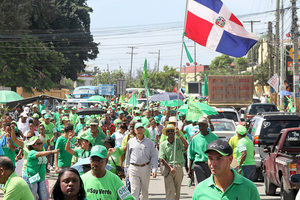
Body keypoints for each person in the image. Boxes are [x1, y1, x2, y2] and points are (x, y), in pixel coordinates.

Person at [192, 139, 260, 200]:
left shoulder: (249, 188)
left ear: (230, 159)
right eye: (210, 158)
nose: (213, 163)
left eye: (219, 158)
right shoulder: (200, 190)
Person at [126, 122, 158, 200]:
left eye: (141, 128)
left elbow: (154, 156)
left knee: (145, 191)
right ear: (135, 131)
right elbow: (127, 156)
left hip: (145, 168)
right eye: (137, 129)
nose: (139, 130)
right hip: (133, 168)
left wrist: (154, 169)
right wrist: (127, 170)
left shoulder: (150, 142)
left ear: (144, 130)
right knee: (134, 190)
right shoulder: (130, 142)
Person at [158, 124, 188, 200]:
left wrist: (179, 135)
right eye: (169, 131)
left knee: (177, 190)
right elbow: (161, 158)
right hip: (168, 168)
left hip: (179, 167)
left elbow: (186, 145)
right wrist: (170, 168)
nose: (171, 132)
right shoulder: (163, 144)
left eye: (172, 131)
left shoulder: (178, 141)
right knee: (170, 190)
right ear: (166, 133)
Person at [188, 117, 218, 184]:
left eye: (203, 125)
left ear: (207, 126)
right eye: (199, 125)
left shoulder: (214, 137)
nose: (201, 127)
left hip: (212, 165)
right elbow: (191, 155)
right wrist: (190, 169)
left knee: (212, 184)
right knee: (201, 185)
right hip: (199, 165)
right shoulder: (195, 139)